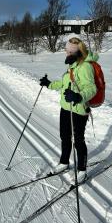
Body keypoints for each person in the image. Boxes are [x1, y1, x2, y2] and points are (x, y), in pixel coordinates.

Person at [40, 37, 98, 183]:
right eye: (66, 51)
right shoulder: (72, 65)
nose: (66, 53)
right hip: (66, 108)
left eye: (68, 51)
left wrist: (79, 96)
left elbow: (92, 89)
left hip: (78, 109)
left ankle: (82, 170)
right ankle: (64, 162)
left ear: (76, 52)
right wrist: (49, 84)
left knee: (78, 140)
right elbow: (64, 83)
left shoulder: (85, 67)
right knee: (65, 137)